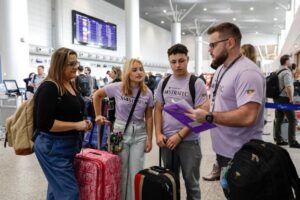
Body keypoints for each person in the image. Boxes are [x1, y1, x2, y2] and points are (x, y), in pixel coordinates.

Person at [184, 22, 265, 197]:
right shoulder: (221, 69)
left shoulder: (248, 73)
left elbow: (248, 116)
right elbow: (215, 101)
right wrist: (195, 112)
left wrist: (209, 117)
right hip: (223, 152)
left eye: (213, 45)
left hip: (242, 153)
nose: (209, 50)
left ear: (230, 43)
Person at [33, 47, 92, 200]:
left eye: (76, 63)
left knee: (55, 190)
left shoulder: (70, 84)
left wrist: (83, 122)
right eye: (70, 64)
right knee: (69, 194)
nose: (75, 67)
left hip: (68, 145)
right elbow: (45, 124)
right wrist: (76, 125)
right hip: (52, 147)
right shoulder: (49, 87)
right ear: (59, 65)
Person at [93, 58, 154, 200]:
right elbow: (97, 95)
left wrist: (149, 139)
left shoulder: (147, 93)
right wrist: (98, 115)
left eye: (141, 69)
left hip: (139, 132)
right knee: (120, 170)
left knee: (136, 172)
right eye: (134, 70)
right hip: (119, 131)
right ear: (127, 72)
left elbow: (149, 117)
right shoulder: (117, 87)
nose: (139, 72)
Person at [154, 43, 209, 200]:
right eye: (173, 62)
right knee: (170, 183)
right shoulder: (164, 82)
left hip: (189, 142)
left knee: (192, 185)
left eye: (181, 60)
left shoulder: (196, 83)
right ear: (169, 62)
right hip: (166, 142)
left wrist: (179, 135)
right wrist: (158, 134)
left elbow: (201, 116)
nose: (177, 65)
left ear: (187, 60)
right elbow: (157, 109)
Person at [273, 55, 300, 148]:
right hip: (285, 99)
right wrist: (291, 99)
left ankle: (278, 139)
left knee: (279, 119)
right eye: (290, 60)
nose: (291, 61)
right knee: (293, 119)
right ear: (287, 61)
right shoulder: (286, 72)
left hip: (276, 98)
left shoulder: (277, 71)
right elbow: (288, 86)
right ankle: (292, 141)